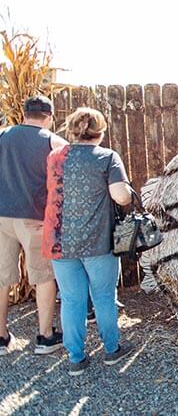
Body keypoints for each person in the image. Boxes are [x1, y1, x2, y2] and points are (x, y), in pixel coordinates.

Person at [42, 107, 134, 376]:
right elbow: (121, 197)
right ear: (101, 132)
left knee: (71, 300)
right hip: (97, 241)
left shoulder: (54, 157)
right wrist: (126, 189)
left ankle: (76, 357)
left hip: (60, 241)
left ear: (71, 130)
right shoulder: (107, 157)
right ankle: (111, 350)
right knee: (104, 296)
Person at [0, 95, 67, 355]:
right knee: (43, 276)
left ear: (24, 114)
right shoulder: (53, 141)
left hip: (1, 216)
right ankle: (45, 336)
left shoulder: (3, 136)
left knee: (2, 277)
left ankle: (1, 337)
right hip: (35, 218)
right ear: (49, 117)